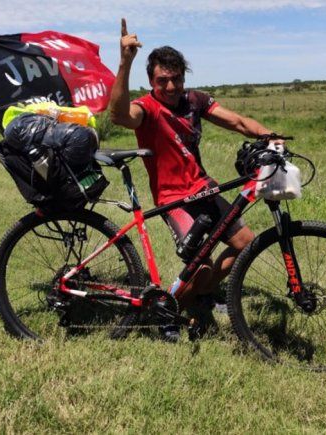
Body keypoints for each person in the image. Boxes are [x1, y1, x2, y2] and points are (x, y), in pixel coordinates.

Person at [109, 18, 280, 330]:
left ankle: (203, 293)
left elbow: (238, 122)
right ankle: (168, 315)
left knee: (246, 243)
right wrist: (124, 62)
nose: (171, 87)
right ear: (151, 81)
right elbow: (119, 115)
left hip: (205, 189)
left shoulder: (194, 100)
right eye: (163, 81)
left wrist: (271, 136)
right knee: (199, 266)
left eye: (176, 79)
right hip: (174, 199)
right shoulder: (146, 108)